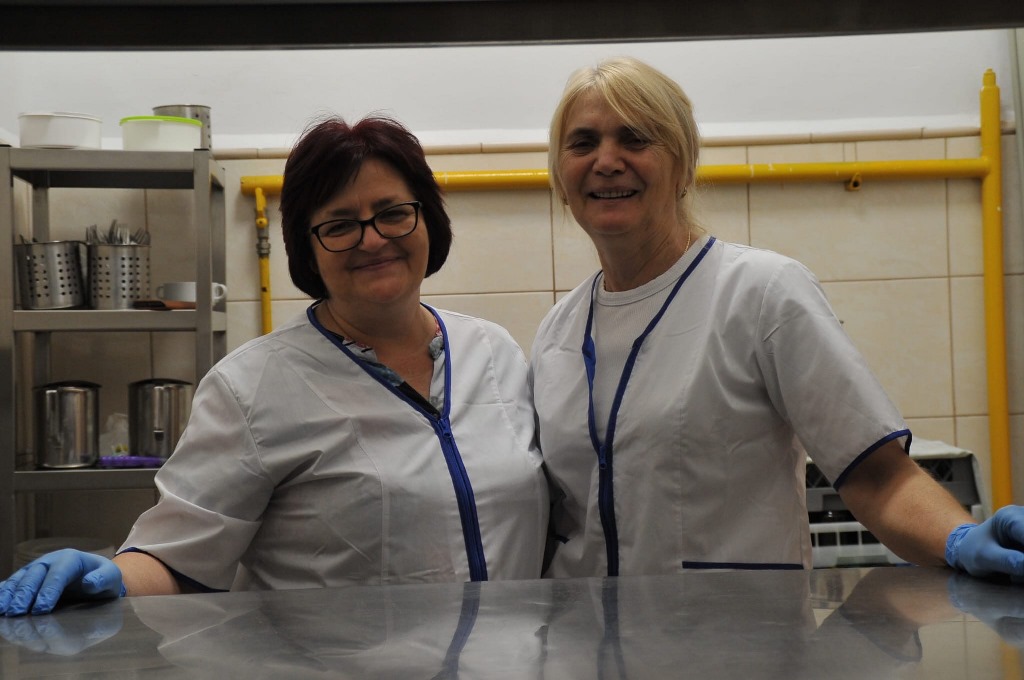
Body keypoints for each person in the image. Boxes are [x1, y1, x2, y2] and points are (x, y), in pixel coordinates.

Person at [0, 115, 549, 616]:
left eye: (393, 213)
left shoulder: (494, 351)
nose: (372, 239)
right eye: (339, 224)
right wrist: (111, 579)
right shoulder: (251, 387)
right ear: (307, 250)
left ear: (427, 218)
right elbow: (177, 556)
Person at [530, 56, 1024, 581]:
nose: (607, 161)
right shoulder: (557, 333)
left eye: (635, 139)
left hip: (740, 630)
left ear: (684, 164)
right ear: (560, 175)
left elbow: (879, 478)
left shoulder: (763, 294)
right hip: (586, 632)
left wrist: (958, 539)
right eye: (582, 143)